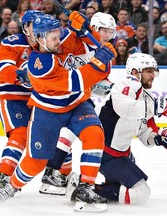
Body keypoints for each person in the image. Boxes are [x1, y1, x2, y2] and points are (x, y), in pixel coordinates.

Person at [0, 12, 117, 212]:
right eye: (54, 38)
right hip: (48, 111)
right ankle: (12, 185)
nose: (60, 40)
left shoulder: (60, 39)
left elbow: (86, 46)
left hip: (77, 103)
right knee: (36, 163)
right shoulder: (39, 65)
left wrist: (84, 29)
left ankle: (86, 187)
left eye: (59, 35)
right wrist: (101, 63)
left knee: (94, 133)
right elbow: (79, 80)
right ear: (40, 39)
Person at [67, 53, 167, 205]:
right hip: (106, 155)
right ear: (134, 72)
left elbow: (145, 132)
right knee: (141, 193)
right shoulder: (124, 85)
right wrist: (159, 106)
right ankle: (83, 191)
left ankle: (86, 186)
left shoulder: (147, 97)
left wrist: (161, 136)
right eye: (149, 71)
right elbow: (124, 108)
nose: (153, 75)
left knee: (134, 187)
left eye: (154, 71)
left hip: (121, 155)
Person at [39, 11, 117, 196]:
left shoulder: (104, 53)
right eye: (105, 31)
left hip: (79, 97)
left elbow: (97, 83)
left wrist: (109, 87)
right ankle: (52, 172)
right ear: (95, 28)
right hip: (56, 93)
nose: (108, 37)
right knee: (68, 133)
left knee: (74, 133)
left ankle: (53, 173)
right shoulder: (70, 39)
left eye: (111, 33)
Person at [0, 10, 44, 191]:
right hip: (11, 96)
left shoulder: (49, 45)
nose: (39, 29)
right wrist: (21, 75)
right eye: (35, 25)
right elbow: (2, 69)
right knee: (20, 134)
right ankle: (3, 175)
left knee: (54, 134)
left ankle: (56, 175)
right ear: (26, 28)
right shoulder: (12, 43)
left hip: (38, 100)